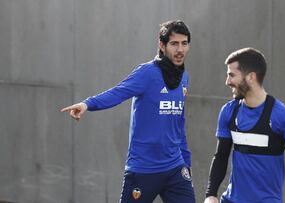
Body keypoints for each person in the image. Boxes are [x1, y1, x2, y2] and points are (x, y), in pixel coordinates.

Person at [61, 20, 195, 203]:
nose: (180, 49)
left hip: (175, 168)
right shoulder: (147, 72)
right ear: (162, 46)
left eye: (184, 43)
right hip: (143, 169)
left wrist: (186, 163)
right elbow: (117, 92)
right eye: (174, 44)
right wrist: (87, 104)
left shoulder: (184, 77)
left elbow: (179, 123)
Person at [204, 47, 285, 203]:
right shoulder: (228, 112)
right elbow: (221, 156)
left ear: (251, 77)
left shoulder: (283, 115)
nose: (227, 81)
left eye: (232, 75)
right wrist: (211, 194)